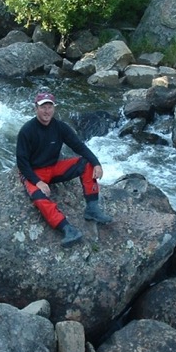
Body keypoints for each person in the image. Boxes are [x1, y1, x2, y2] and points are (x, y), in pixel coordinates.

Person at [16, 90, 113, 247]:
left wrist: (96, 163)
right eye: (43, 107)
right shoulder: (27, 130)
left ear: (54, 108)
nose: (47, 111)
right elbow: (21, 161)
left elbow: (79, 146)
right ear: (36, 108)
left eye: (50, 107)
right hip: (33, 172)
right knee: (40, 198)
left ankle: (92, 209)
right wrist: (37, 182)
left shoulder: (60, 127)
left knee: (86, 163)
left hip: (53, 168)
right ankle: (67, 229)